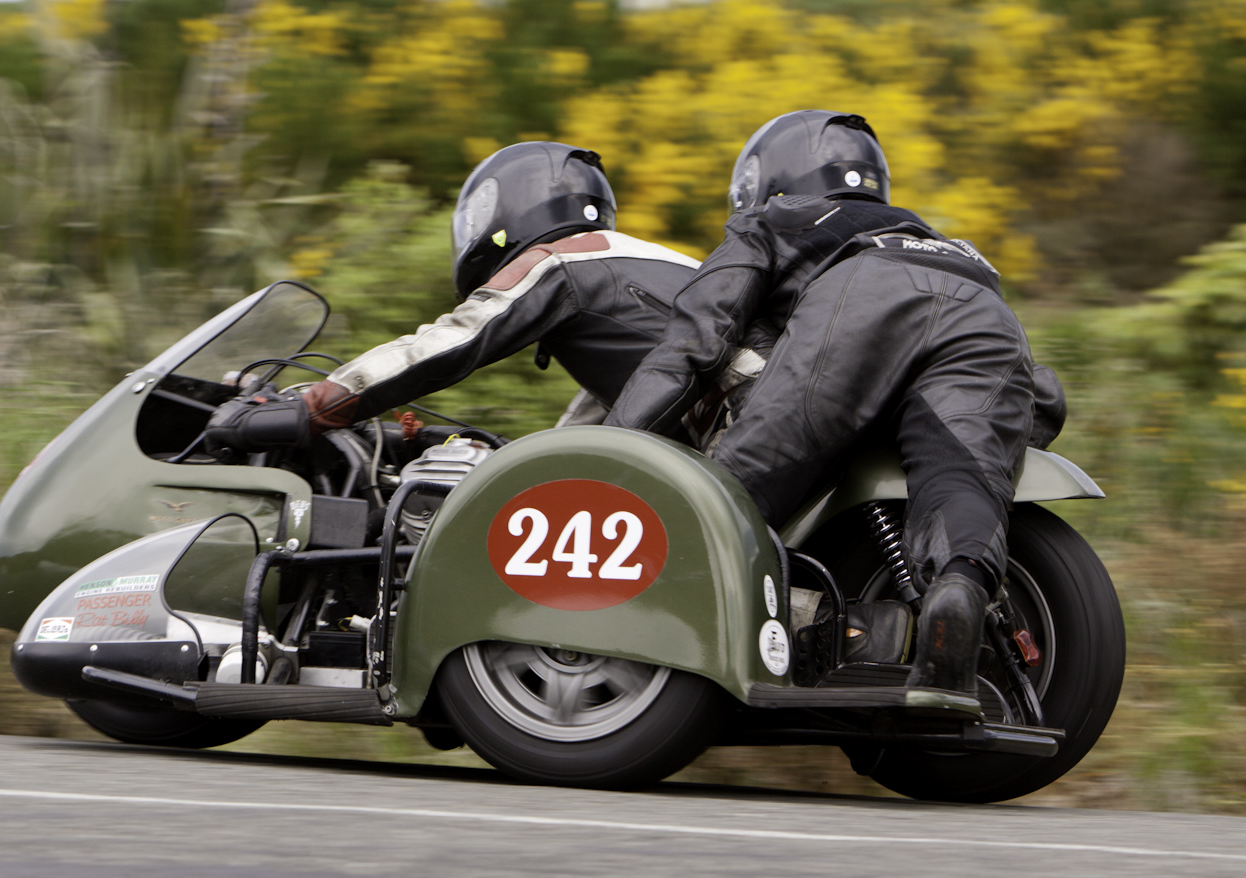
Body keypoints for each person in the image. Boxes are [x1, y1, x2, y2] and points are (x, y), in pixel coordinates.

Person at [605, 109, 1066, 697]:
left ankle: (689, 650)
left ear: (767, 180)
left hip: (863, 298)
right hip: (988, 315)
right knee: (961, 483)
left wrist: (607, 457)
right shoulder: (947, 243)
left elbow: (693, 343)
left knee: (726, 506)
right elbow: (1042, 398)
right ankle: (958, 593)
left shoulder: (777, 217)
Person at [201, 141, 703, 456]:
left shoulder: (563, 261)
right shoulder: (653, 265)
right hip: (752, 452)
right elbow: (582, 444)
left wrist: (308, 409)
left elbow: (449, 343)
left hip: (739, 441)